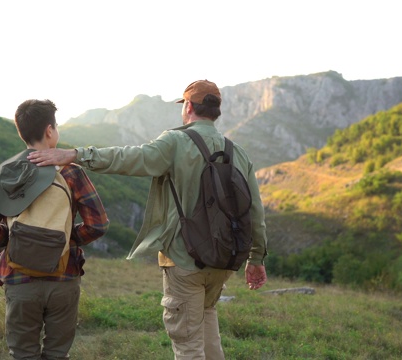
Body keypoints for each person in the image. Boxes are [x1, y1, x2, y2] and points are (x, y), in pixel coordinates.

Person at [29, 80, 268, 360]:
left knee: (188, 344)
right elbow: (256, 213)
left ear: (188, 107)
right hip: (225, 259)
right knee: (206, 320)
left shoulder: (177, 141)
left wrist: (76, 155)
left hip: (184, 257)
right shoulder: (237, 152)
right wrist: (256, 258)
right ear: (216, 111)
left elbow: (132, 158)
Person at [0, 99, 109, 360]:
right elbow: (98, 224)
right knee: (57, 354)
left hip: (19, 278)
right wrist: (65, 241)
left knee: (23, 354)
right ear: (49, 130)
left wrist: (14, 241)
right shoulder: (71, 173)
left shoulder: (5, 174)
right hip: (64, 276)